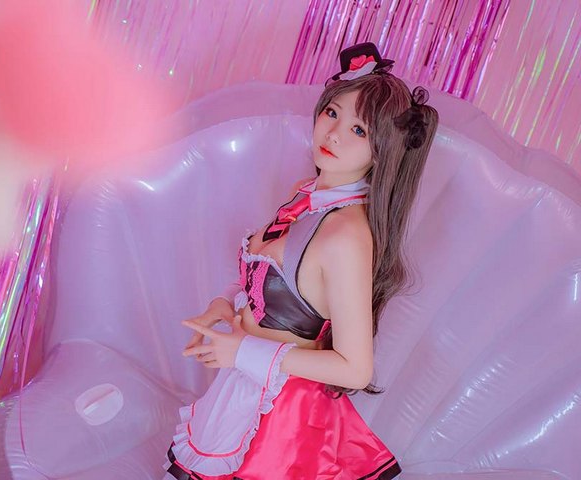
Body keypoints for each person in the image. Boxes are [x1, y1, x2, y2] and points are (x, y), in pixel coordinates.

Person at [162, 42, 439, 480]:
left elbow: (355, 368)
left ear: (382, 150)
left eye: (359, 130)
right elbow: (275, 281)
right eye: (332, 113)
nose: (333, 134)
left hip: (283, 419)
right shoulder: (304, 194)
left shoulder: (346, 235)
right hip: (245, 385)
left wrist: (243, 351)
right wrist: (226, 303)